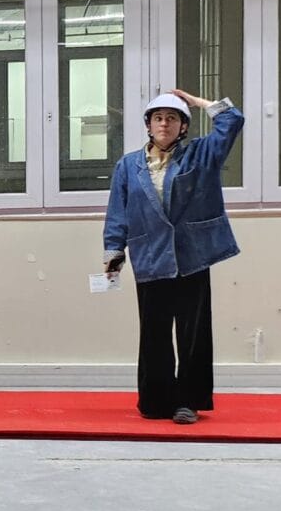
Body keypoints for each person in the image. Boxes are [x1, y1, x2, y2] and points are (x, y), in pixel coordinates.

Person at [103, 89, 244, 424]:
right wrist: (113, 250)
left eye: (172, 118)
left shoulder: (201, 154)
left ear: (183, 126)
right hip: (150, 255)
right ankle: (155, 400)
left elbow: (233, 121)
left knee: (192, 333)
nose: (164, 124)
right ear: (148, 125)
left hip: (191, 255)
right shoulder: (128, 165)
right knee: (154, 331)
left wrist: (202, 104)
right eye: (158, 118)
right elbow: (118, 211)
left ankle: (188, 402)